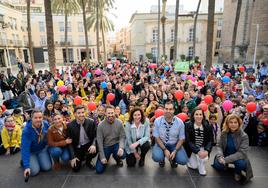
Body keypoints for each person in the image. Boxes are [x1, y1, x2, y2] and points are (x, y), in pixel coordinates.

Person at [212, 114, 253, 182]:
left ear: (239, 123)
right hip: (225, 155)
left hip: (238, 157)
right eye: (231, 122)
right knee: (218, 166)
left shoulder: (244, 136)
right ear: (227, 123)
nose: (233, 124)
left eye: (235, 122)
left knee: (241, 164)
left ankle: (237, 172)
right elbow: (219, 146)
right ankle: (225, 165)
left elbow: (241, 153)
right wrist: (220, 156)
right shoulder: (224, 133)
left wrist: (225, 160)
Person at [152, 101, 188, 168]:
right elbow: (157, 137)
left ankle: (173, 158)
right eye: (166, 109)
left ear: (174, 110)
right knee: (157, 157)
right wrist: (164, 149)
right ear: (164, 109)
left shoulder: (180, 122)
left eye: (170, 109)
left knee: (183, 160)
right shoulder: (157, 121)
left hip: (174, 145)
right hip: (161, 144)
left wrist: (175, 150)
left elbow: (181, 138)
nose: (168, 111)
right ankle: (161, 158)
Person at [21, 109, 52, 177]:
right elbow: (25, 148)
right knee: (34, 172)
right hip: (31, 152)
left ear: (42, 117)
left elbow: (51, 135)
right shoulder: (27, 131)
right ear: (31, 118)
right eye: (35, 118)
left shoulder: (46, 124)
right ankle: (23, 161)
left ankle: (37, 160)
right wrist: (26, 166)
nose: (38, 120)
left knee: (47, 168)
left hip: (42, 149)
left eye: (40, 117)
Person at [96, 105, 126, 174]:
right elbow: (99, 142)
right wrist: (102, 157)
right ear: (105, 113)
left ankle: (117, 158)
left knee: (123, 155)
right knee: (99, 170)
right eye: (108, 113)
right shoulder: (100, 125)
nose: (110, 115)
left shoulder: (119, 123)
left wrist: (121, 147)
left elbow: (122, 136)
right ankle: (106, 157)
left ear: (115, 112)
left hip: (116, 145)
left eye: (112, 113)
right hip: (105, 146)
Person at [67, 105, 97, 172]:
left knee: (96, 147)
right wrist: (73, 157)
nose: (81, 114)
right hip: (78, 147)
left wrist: (94, 144)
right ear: (75, 114)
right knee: (75, 169)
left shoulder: (91, 122)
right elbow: (69, 143)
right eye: (79, 113)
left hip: (88, 145)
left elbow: (96, 135)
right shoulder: (70, 126)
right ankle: (82, 157)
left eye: (83, 112)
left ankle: (88, 161)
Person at [184, 107, 214, 176]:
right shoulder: (188, 125)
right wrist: (197, 151)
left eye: (200, 114)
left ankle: (201, 166)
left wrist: (207, 150)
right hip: (192, 149)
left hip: (203, 147)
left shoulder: (208, 126)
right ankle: (193, 160)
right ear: (193, 116)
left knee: (203, 159)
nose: (199, 116)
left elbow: (210, 140)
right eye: (196, 114)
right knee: (194, 166)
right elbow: (188, 141)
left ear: (203, 116)